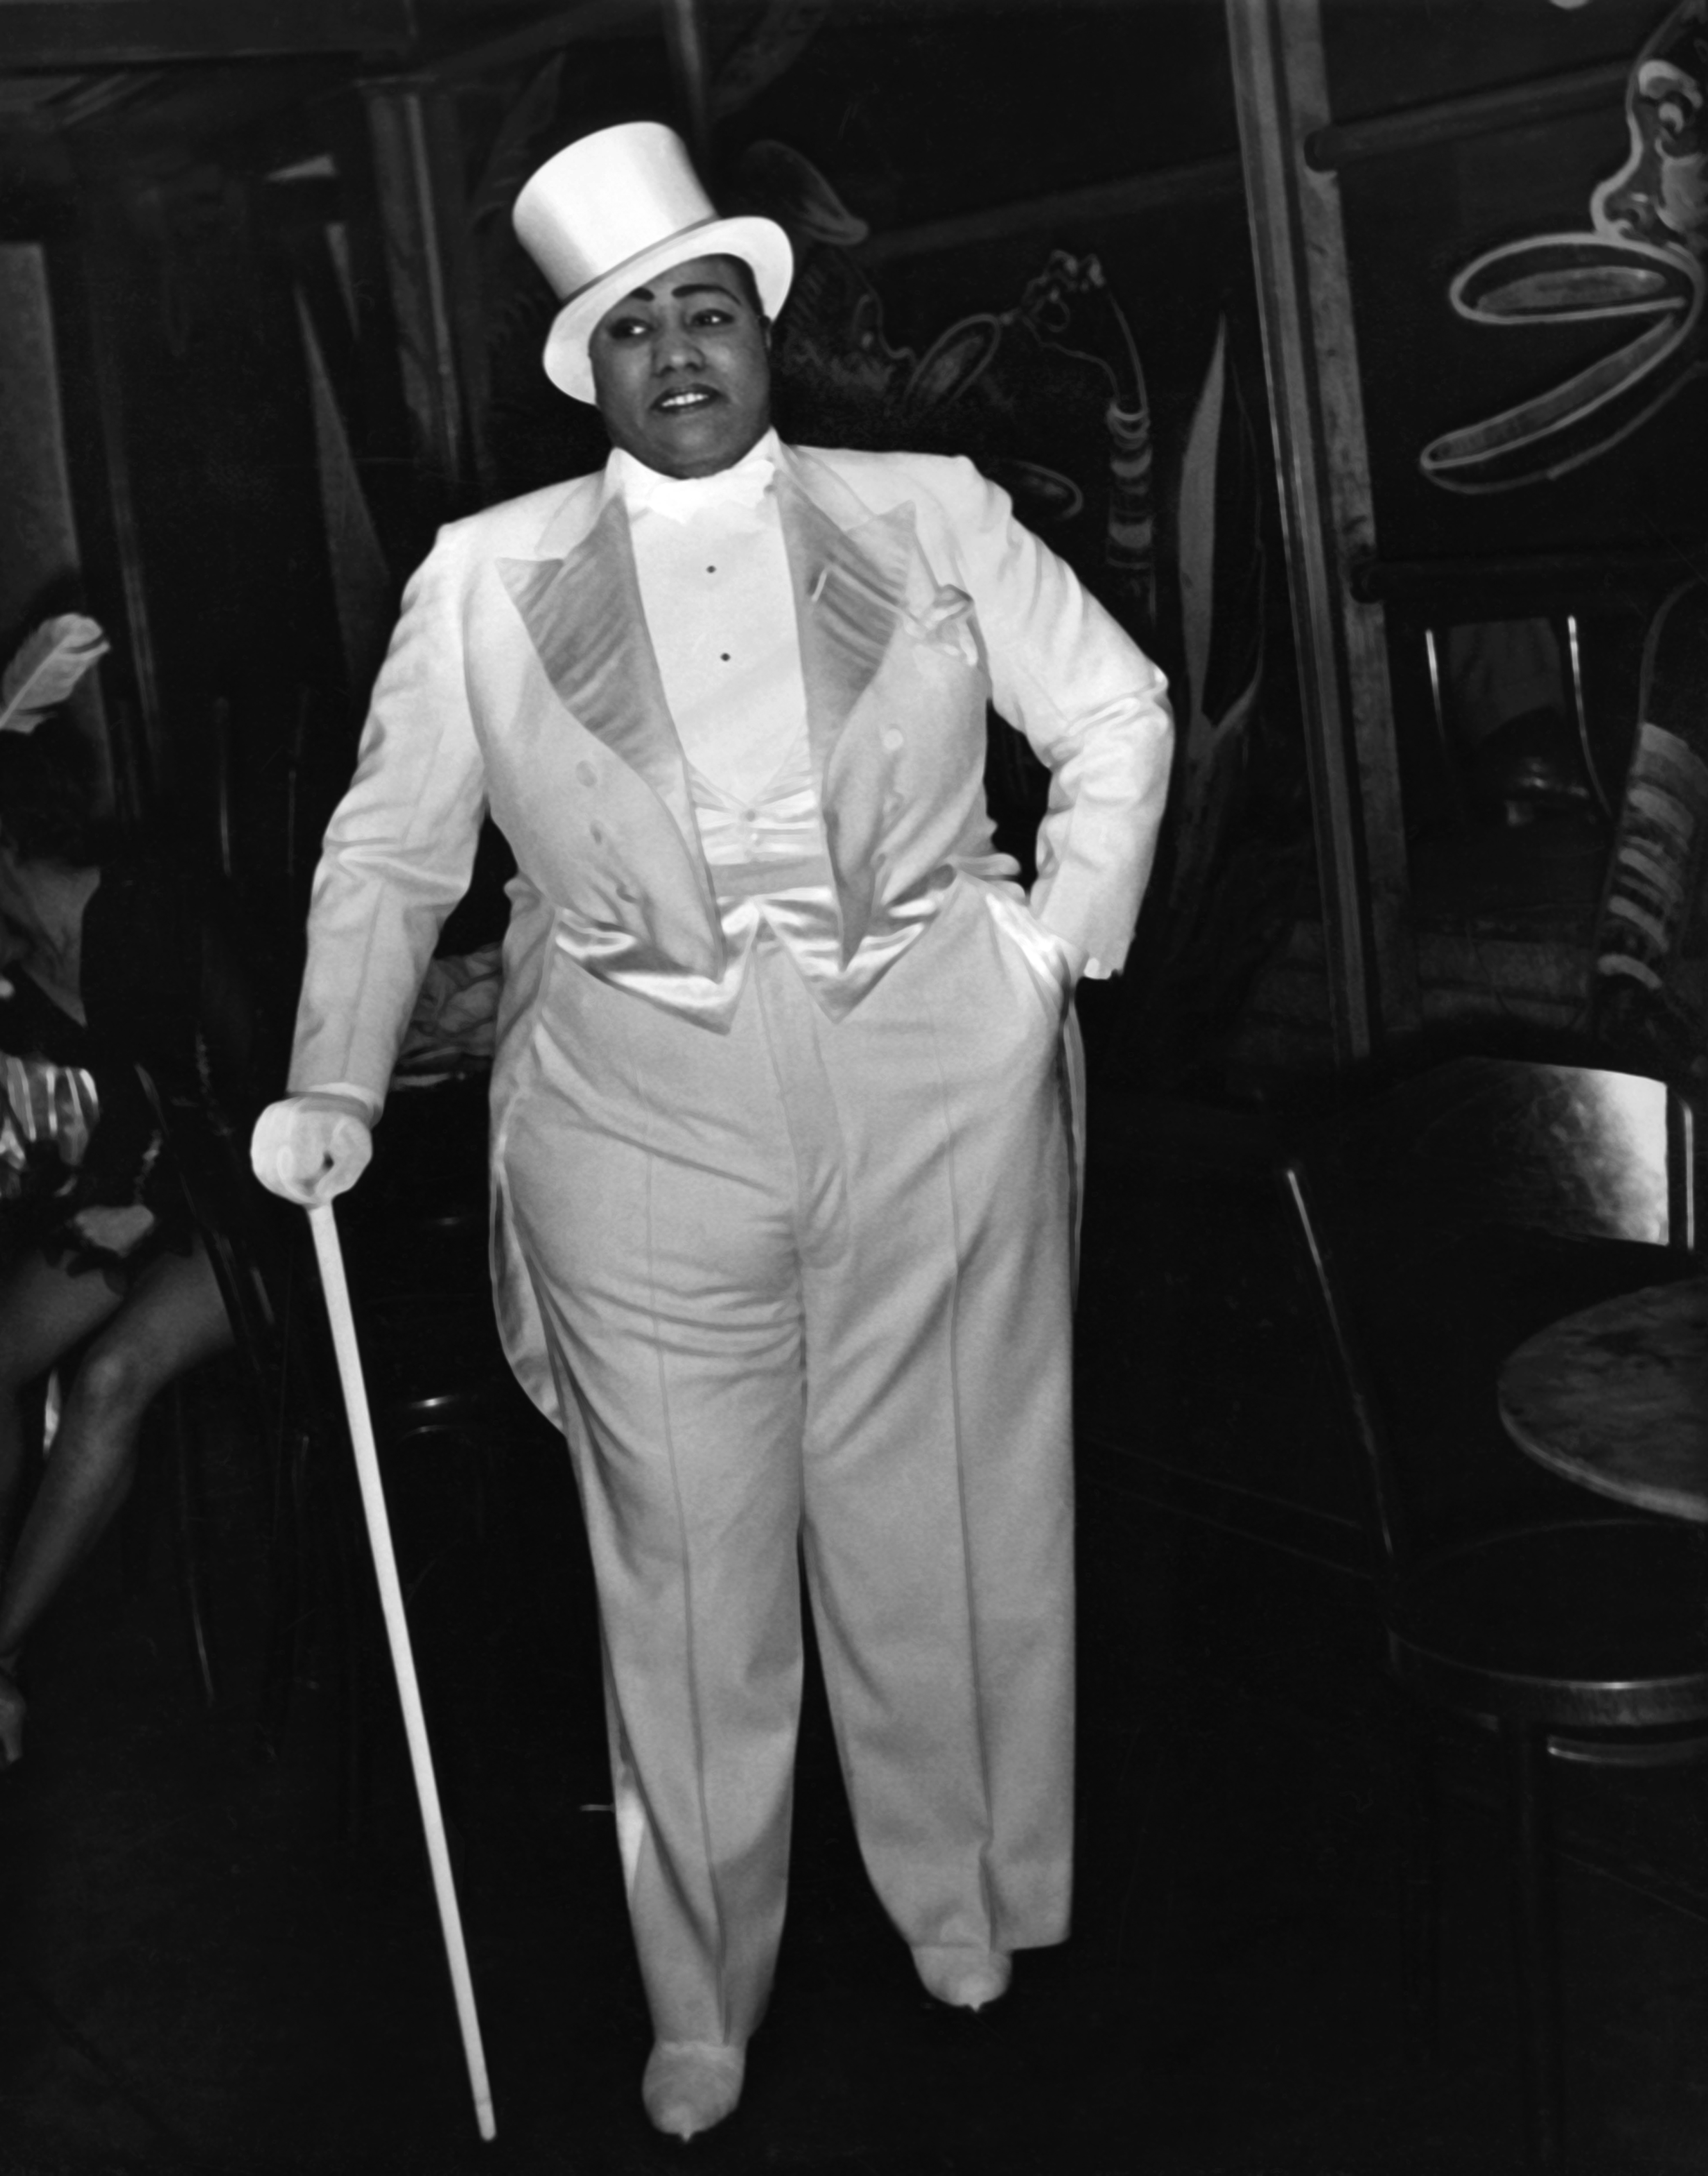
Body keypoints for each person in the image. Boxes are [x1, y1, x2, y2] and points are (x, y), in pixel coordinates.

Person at [251, 121, 1173, 2141]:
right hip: (633, 1104)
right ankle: (703, 1999)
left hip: (931, 1070)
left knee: (941, 1511)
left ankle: (962, 1902)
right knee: (682, 1565)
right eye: (631, 324)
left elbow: (1116, 713)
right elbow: (390, 855)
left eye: (706, 309)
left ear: (763, 329)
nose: (676, 348)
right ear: (585, 366)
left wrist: (1044, 956)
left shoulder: (926, 508)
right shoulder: (482, 575)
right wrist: (334, 1078)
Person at [0, 709, 261, 1768]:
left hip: (259, 1210)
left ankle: (0, 1652)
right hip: (150, 1204)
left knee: (111, 1377)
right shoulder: (30, 960)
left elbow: (262, 1101)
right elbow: (85, 1137)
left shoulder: (148, 913)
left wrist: (151, 1214)